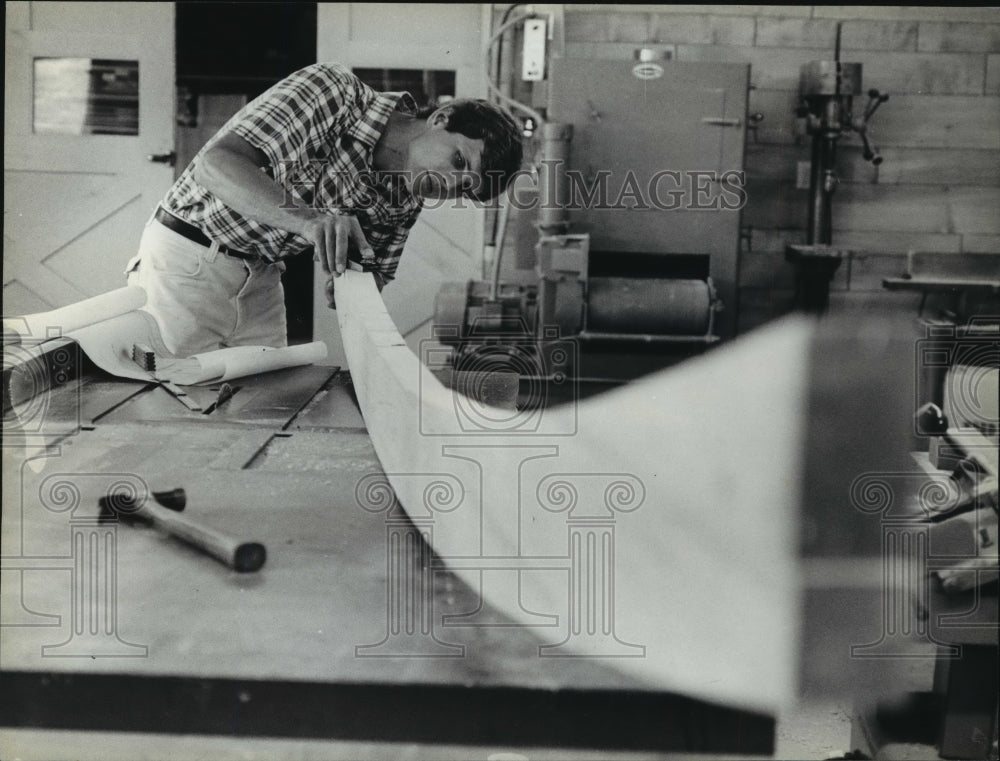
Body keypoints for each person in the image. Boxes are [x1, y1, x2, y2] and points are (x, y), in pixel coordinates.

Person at [126, 62, 523, 358]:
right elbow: (215, 166)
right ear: (441, 119)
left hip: (261, 277)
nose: (451, 183)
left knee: (260, 406)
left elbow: (371, 277)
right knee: (176, 402)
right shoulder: (334, 93)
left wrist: (351, 285)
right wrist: (310, 221)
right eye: (459, 161)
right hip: (186, 260)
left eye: (464, 188)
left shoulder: (408, 193)